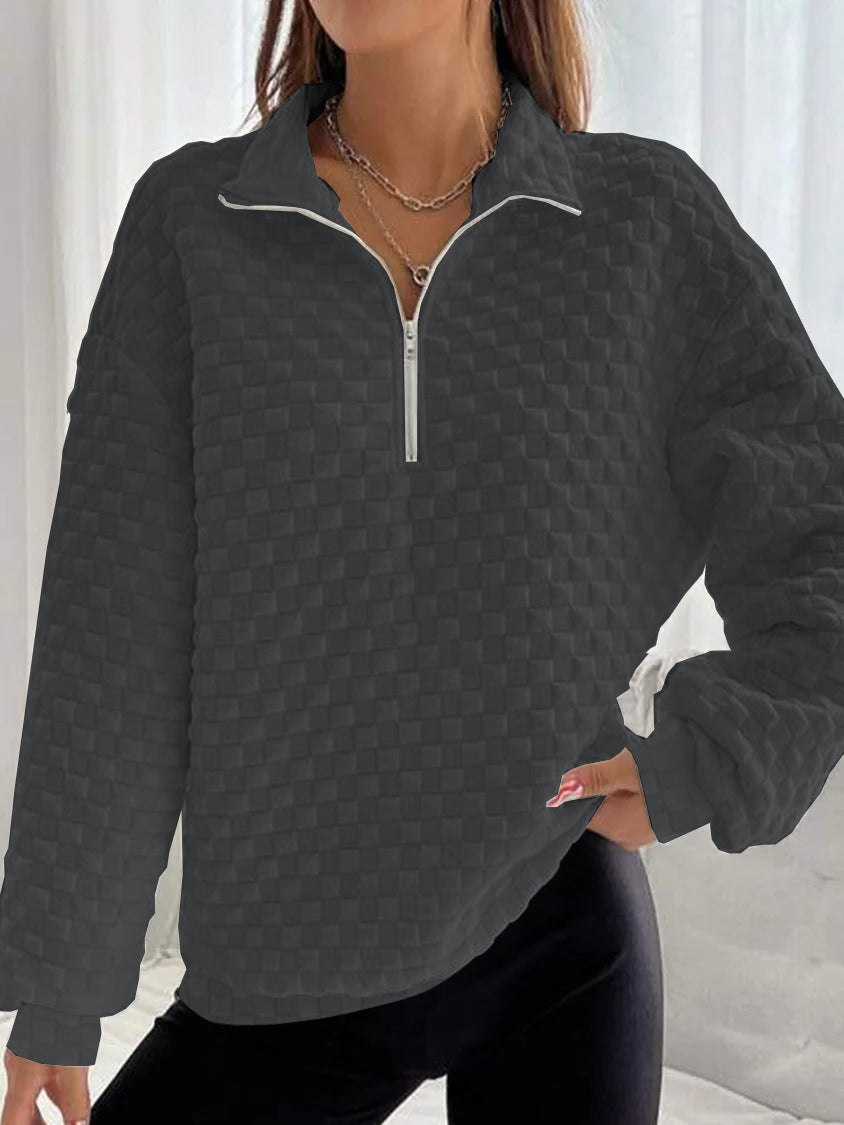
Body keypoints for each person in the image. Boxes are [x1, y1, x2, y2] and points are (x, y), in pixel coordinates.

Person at [3, 0, 844, 1122]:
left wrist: (712, 758)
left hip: (556, 929)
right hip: (280, 964)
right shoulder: (196, 225)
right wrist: (62, 982)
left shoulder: (643, 222)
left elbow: (820, 528)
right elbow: (113, 629)